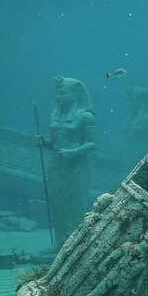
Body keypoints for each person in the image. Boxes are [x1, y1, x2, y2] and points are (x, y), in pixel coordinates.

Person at [44, 77, 97, 242]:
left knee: (74, 204)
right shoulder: (55, 115)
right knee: (57, 203)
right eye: (56, 93)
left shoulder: (86, 116)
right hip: (56, 165)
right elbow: (54, 143)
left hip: (76, 167)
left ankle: (75, 243)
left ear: (74, 95)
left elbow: (92, 144)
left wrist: (75, 151)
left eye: (62, 93)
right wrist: (43, 142)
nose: (58, 97)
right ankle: (59, 242)